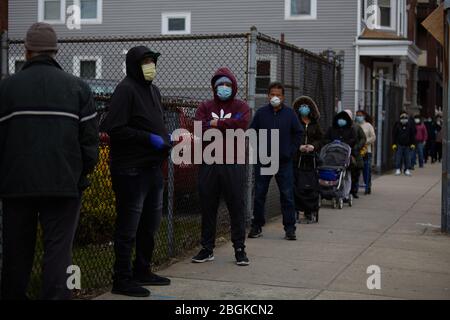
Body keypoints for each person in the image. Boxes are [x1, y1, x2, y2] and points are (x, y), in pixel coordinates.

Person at [0, 23, 99, 300]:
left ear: (27, 50)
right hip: (63, 185)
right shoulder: (78, 88)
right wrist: (81, 175)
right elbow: (90, 142)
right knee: (59, 252)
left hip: (16, 186)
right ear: (55, 50)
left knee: (16, 252)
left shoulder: (6, 90)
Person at [101, 46, 172, 297]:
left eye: (153, 61)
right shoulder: (125, 89)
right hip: (130, 170)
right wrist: (149, 138)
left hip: (152, 168)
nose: (150, 65)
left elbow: (155, 122)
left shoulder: (153, 90)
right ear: (134, 64)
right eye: (145, 61)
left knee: (149, 226)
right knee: (128, 227)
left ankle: (142, 269)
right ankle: (121, 278)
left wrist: (165, 137)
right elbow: (115, 128)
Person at [191, 68, 251, 266]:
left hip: (233, 161)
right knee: (208, 206)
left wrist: (216, 123)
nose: (223, 88)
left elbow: (241, 124)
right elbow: (199, 127)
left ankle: (240, 248)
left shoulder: (241, 105)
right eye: (219, 85)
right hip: (210, 162)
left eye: (227, 85)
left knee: (236, 205)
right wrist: (223, 124)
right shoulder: (205, 105)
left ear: (233, 86)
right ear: (214, 87)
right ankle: (207, 248)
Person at [248, 82, 303, 240]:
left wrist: (290, 151)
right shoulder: (261, 113)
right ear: (268, 96)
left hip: (284, 162)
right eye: (272, 94)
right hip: (264, 161)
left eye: (278, 95)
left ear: (283, 97)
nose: (275, 97)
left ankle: (290, 228)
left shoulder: (290, 114)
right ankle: (257, 226)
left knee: (287, 195)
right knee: (259, 194)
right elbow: (252, 132)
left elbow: (298, 133)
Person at [292, 96, 323, 223]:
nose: (304, 109)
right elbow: (290, 137)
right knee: (296, 183)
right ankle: (297, 208)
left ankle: (310, 209)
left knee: (310, 183)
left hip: (311, 159)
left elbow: (321, 139)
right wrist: (297, 147)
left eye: (306, 107)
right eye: (301, 107)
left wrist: (313, 146)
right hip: (297, 157)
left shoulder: (315, 124)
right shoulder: (295, 123)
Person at [344, 109, 366, 199]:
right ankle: (346, 191)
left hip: (355, 153)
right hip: (344, 152)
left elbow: (363, 138)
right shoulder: (340, 126)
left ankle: (353, 191)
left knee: (355, 173)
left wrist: (358, 146)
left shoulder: (356, 127)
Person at [355, 110, 375, 195]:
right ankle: (355, 188)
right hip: (357, 151)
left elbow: (373, 137)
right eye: (357, 115)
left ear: (364, 116)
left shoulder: (368, 125)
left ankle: (368, 186)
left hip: (367, 150)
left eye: (360, 115)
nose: (358, 117)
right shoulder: (355, 126)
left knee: (367, 170)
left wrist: (364, 142)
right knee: (356, 170)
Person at [392, 111, 416, 176]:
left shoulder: (409, 125)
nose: (404, 119)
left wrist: (413, 144)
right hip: (399, 144)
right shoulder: (397, 125)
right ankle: (398, 169)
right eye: (402, 117)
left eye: (405, 118)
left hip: (407, 145)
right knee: (398, 157)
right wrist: (394, 144)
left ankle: (407, 169)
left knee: (407, 158)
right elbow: (394, 135)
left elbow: (412, 135)